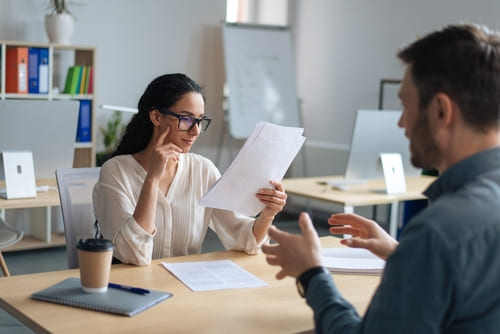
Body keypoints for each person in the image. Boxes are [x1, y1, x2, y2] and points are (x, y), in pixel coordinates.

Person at [262, 23, 500, 333]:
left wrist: (311, 273)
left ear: (441, 111)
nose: (401, 123)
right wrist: (402, 254)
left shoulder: (438, 232)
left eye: (405, 105)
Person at [93, 73, 287, 266]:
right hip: (133, 289)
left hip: (186, 287)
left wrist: (268, 214)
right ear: (156, 116)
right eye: (186, 119)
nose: (195, 131)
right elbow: (133, 255)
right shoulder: (115, 171)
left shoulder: (203, 170)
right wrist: (152, 179)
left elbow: (244, 239)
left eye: (200, 120)